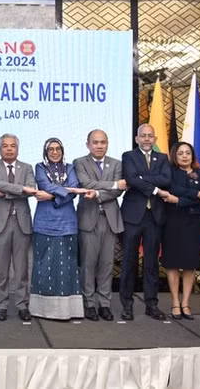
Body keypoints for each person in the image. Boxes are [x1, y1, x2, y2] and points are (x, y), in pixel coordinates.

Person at [30, 138, 95, 320]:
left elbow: (74, 187)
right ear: (46, 152)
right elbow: (44, 185)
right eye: (50, 149)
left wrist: (52, 197)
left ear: (62, 150)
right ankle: (43, 310)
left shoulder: (70, 167)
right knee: (44, 265)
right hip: (45, 223)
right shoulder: (40, 167)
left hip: (67, 223)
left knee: (67, 265)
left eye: (58, 148)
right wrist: (65, 192)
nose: (55, 152)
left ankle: (69, 311)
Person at [119, 124, 172, 321]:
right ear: (137, 139)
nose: (147, 139)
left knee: (151, 263)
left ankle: (152, 304)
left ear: (155, 139)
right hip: (133, 217)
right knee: (129, 262)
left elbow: (167, 179)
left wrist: (143, 178)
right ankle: (127, 305)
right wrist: (155, 187)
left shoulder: (163, 158)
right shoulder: (128, 156)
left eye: (151, 136)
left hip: (154, 217)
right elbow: (131, 179)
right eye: (144, 136)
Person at [73, 129, 126, 322]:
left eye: (103, 142)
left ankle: (104, 304)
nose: (99, 145)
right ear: (88, 144)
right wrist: (112, 185)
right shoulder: (79, 162)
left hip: (110, 219)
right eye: (95, 142)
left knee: (106, 264)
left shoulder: (117, 164)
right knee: (88, 264)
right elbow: (86, 183)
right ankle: (88, 304)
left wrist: (98, 191)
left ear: (108, 143)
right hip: (89, 219)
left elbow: (118, 192)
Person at [0, 133, 36, 322]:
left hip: (22, 223)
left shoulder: (27, 168)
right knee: (2, 269)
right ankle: (2, 305)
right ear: (0, 149)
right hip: (1, 224)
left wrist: (7, 192)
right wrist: (21, 190)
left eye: (12, 146)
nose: (9, 149)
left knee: (21, 269)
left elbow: (31, 188)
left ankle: (22, 305)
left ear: (17, 148)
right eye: (5, 146)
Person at [161, 141, 200, 320]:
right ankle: (175, 302)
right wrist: (195, 193)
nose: (184, 156)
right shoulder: (170, 172)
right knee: (173, 263)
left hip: (193, 222)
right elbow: (173, 188)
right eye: (180, 153)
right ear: (175, 156)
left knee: (190, 263)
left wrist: (180, 200)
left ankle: (186, 303)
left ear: (192, 156)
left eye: (187, 153)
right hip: (173, 222)